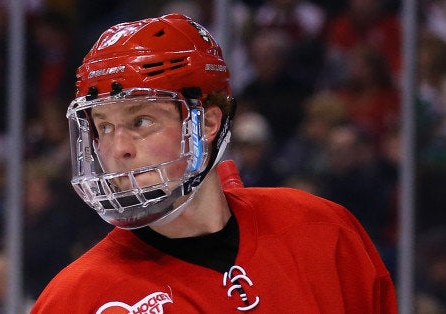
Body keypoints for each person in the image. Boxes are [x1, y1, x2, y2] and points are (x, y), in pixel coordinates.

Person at [31, 14, 396, 313]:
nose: (117, 148)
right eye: (103, 127)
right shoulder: (74, 300)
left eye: (141, 121)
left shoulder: (321, 231)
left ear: (207, 123)